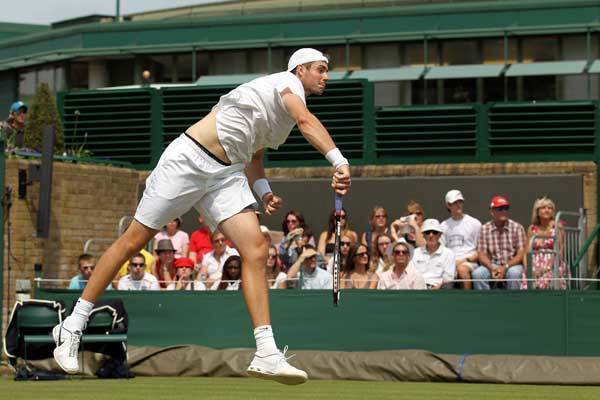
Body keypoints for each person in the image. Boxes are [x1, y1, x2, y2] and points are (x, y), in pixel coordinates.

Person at [53, 47, 351, 385]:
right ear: (299, 70)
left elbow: (253, 155)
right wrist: (339, 161)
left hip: (225, 176)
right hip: (189, 160)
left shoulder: (281, 113)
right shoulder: (287, 85)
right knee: (134, 241)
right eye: (320, 69)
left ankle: (266, 351)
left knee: (256, 249)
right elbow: (306, 120)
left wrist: (264, 191)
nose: (325, 76)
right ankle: (72, 324)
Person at [473, 196, 526, 290]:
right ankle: (484, 302)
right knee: (478, 274)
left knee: (514, 273)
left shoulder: (517, 227)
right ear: (492, 211)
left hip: (512, 264)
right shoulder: (485, 229)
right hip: (492, 264)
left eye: (506, 208)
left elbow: (521, 254)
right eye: (500, 209)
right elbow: (481, 254)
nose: (504, 211)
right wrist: (491, 268)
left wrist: (505, 267)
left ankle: (514, 301)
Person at [440, 190, 482, 290]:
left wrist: (463, 261)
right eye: (455, 203)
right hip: (449, 264)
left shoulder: (474, 223)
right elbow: (441, 251)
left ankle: (467, 301)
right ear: (448, 205)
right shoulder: (443, 226)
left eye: (460, 202)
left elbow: (480, 251)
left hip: (469, 262)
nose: (458, 205)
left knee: (462, 269)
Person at [523, 196, 566, 290]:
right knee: (527, 279)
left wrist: (546, 269)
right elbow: (526, 253)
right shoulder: (531, 229)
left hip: (553, 264)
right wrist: (528, 269)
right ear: (537, 212)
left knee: (547, 279)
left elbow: (560, 250)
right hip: (534, 264)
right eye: (543, 207)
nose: (547, 210)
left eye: (550, 208)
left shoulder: (557, 226)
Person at [408, 219, 455, 290]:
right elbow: (411, 274)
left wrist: (435, 289)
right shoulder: (415, 253)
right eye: (427, 232)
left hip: (440, 291)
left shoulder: (448, 253)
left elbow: (448, 278)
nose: (431, 235)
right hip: (417, 290)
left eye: (435, 232)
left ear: (440, 235)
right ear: (423, 235)